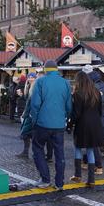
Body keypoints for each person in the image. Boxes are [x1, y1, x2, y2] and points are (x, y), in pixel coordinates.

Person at [29, 60, 72, 190]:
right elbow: (69, 105)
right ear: (57, 69)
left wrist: (34, 120)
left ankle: (45, 179)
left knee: (38, 148)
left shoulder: (41, 82)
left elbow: (35, 104)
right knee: (59, 153)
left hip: (42, 123)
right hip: (59, 124)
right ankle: (59, 183)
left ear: (45, 69)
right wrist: (66, 118)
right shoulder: (65, 83)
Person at [70, 71, 104, 187]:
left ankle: (78, 175)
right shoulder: (96, 92)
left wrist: (70, 123)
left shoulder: (78, 94)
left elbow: (77, 113)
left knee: (78, 148)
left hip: (82, 125)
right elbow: (100, 110)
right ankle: (91, 179)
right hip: (95, 124)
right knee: (90, 150)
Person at [83, 65, 104, 175]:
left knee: (92, 143)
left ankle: (98, 166)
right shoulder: (102, 84)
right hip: (101, 117)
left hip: (93, 118)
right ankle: (86, 161)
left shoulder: (90, 86)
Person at [18, 73, 38, 158]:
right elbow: (27, 101)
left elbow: (33, 103)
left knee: (27, 133)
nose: (30, 79)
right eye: (29, 77)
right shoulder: (28, 87)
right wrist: (22, 95)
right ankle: (26, 152)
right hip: (27, 113)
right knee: (27, 134)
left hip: (31, 114)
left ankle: (34, 153)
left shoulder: (35, 88)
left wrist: (28, 114)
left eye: (32, 77)